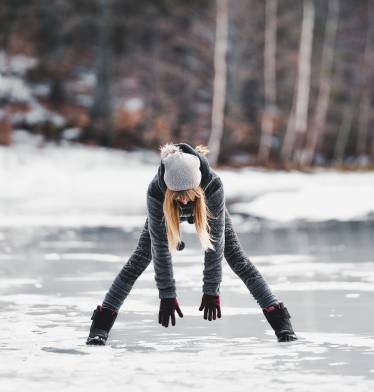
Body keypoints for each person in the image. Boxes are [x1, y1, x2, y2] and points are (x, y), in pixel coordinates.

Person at [86, 142, 297, 345]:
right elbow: (160, 248)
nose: (184, 201)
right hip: (166, 210)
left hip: (205, 206)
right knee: (140, 258)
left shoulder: (213, 185)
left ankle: (281, 322)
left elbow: (215, 244)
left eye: (188, 195)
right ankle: (100, 327)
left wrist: (211, 290)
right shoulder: (156, 191)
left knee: (236, 256)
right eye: (178, 195)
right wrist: (167, 294)